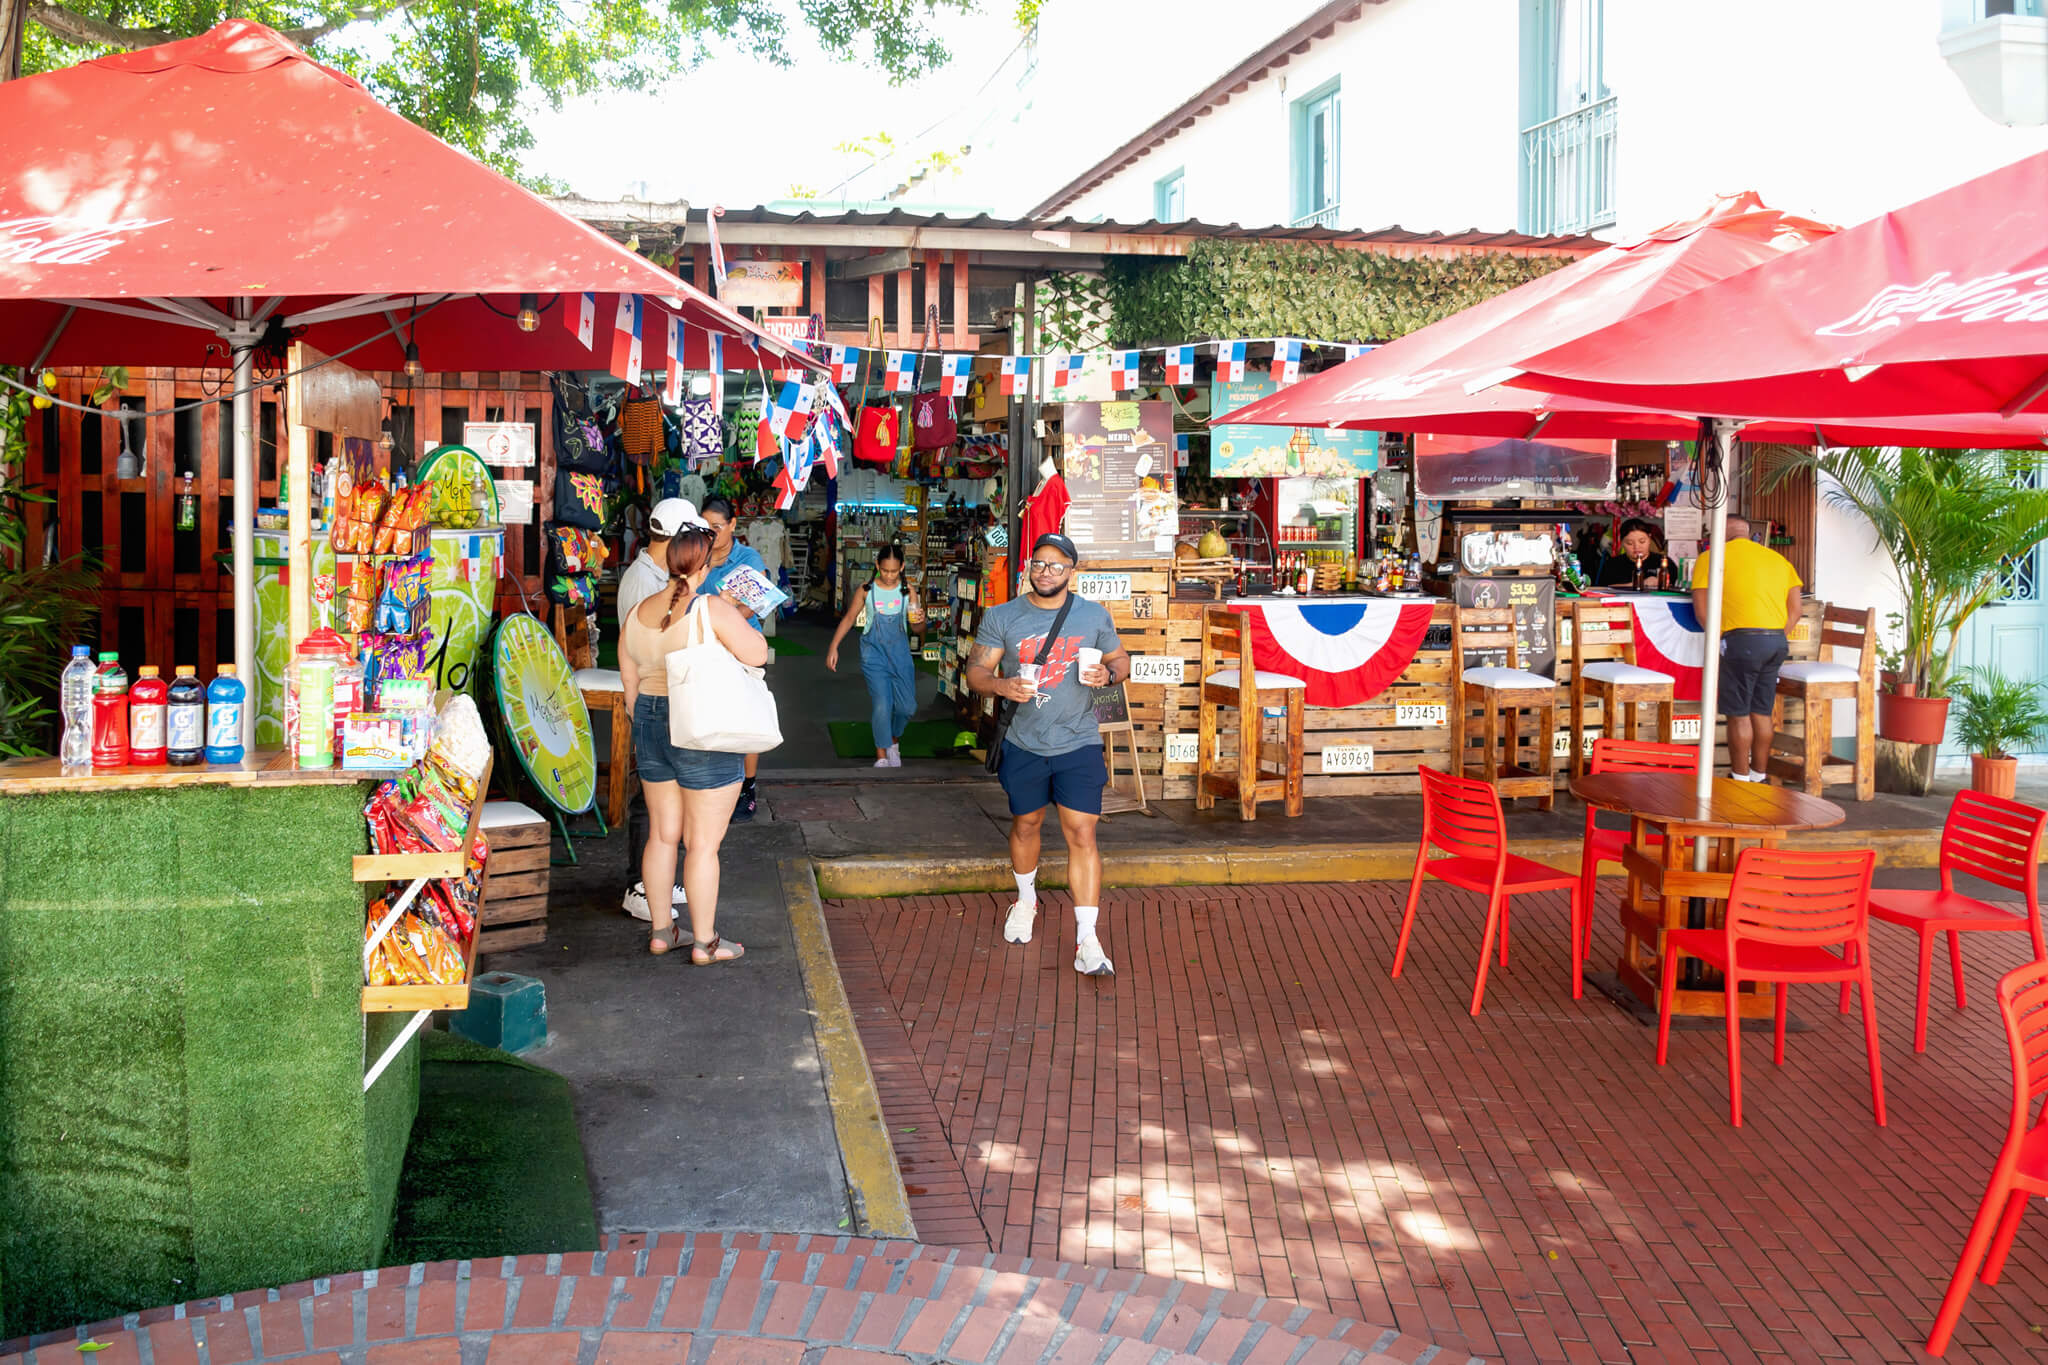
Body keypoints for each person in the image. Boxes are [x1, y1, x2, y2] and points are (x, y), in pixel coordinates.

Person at [965, 533, 1131, 976]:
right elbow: (976, 671)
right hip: (1024, 742)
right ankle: (1025, 901)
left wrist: (1107, 673)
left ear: (1071, 571)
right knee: (1027, 823)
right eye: (1039, 564)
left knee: (1082, 833)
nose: (1046, 572)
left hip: (1079, 740)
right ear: (1028, 568)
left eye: (1056, 566)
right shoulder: (1003, 616)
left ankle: (1087, 938)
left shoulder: (1093, 615)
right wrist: (1001, 685)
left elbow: (1122, 660)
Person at [618, 508, 768, 962]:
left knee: (663, 834)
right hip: (701, 727)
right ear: (703, 566)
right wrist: (735, 612)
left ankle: (663, 932)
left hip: (648, 719)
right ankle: (705, 942)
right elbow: (757, 653)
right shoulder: (710, 609)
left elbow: (630, 687)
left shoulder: (639, 613)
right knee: (702, 843)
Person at [619, 498, 695, 922]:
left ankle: (656, 882)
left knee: (662, 801)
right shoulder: (643, 583)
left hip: (656, 698)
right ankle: (639, 885)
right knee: (649, 801)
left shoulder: (655, 574)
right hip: (651, 699)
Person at [1691, 515, 1802, 782]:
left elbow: (1702, 610)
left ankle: (1740, 780)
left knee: (1738, 713)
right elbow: (1796, 611)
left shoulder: (1711, 557)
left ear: (1720, 533)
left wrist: (1725, 639)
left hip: (1741, 641)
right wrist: (1771, 636)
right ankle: (1759, 775)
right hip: (1776, 641)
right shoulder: (1779, 559)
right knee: (1761, 711)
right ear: (1749, 533)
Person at [699, 496, 770, 823]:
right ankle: (715, 785)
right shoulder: (697, 556)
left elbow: (755, 604)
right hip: (705, 648)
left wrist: (725, 622)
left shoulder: (747, 558)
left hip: (743, 647)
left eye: (717, 527)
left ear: (732, 525)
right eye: (706, 527)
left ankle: (748, 788)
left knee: (746, 719)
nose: (711, 533)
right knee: (710, 717)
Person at [825, 543, 921, 767]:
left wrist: (920, 620)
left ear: (902, 567)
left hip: (901, 656)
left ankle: (893, 740)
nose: (889, 576)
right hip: (873, 655)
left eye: (894, 571)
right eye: (885, 570)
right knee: (882, 705)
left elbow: (917, 629)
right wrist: (833, 647)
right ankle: (881, 755)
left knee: (908, 707)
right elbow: (849, 618)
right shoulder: (867, 590)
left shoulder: (909, 591)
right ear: (877, 565)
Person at [1598, 518, 1676, 590]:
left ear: (1649, 539)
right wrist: (1642, 583)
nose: (1636, 547)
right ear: (1622, 543)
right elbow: (1604, 588)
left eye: (1642, 541)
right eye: (1630, 543)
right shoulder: (1613, 564)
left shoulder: (1664, 562)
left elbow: (1677, 587)